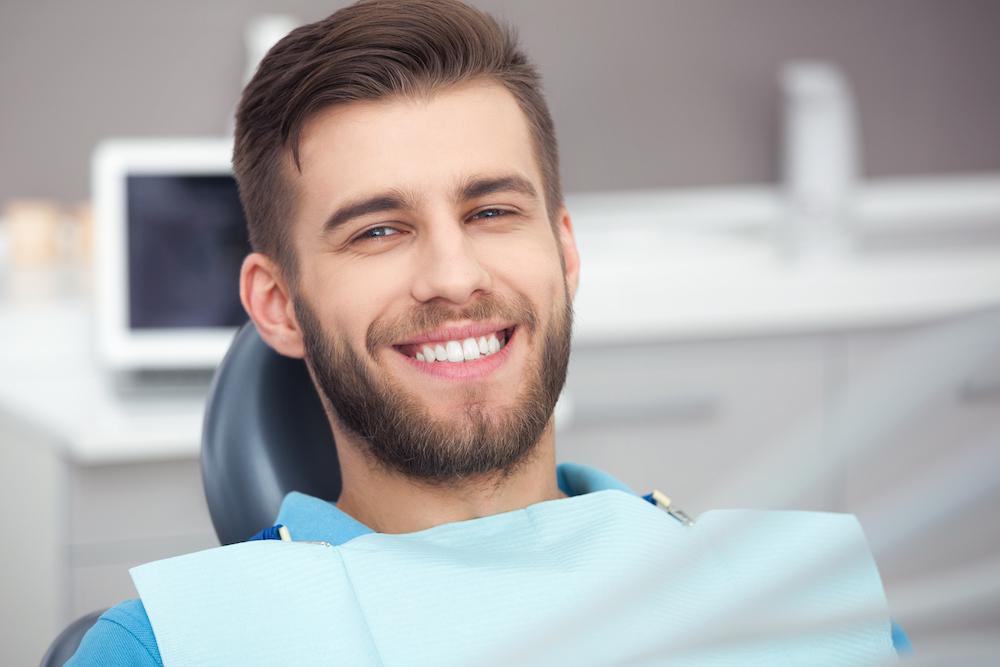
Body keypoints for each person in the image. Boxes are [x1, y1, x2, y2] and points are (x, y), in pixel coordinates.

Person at [68, 1, 905, 664]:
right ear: (278, 304)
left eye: (492, 210)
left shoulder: (803, 602)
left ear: (564, 248)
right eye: (378, 230)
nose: (454, 275)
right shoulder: (172, 646)